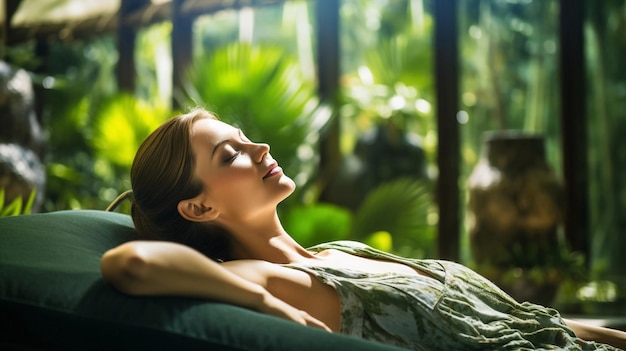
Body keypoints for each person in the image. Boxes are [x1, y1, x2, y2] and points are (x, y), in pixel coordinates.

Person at [101, 108, 626, 350]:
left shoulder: (342, 251)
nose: (259, 148)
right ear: (198, 209)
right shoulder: (263, 277)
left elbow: (530, 323)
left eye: (245, 136)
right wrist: (265, 303)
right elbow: (131, 263)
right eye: (230, 153)